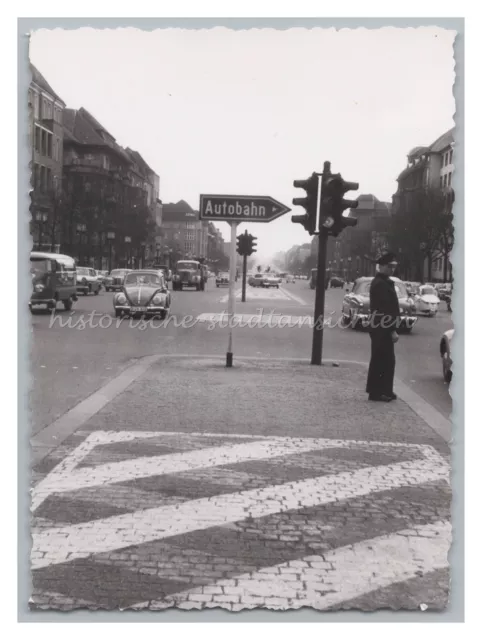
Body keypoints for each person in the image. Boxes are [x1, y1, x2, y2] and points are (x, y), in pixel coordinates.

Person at [366, 252, 400, 402]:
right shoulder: (381, 284)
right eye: (390, 266)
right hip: (382, 328)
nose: (392, 269)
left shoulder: (383, 282)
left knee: (385, 360)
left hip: (380, 327)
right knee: (382, 360)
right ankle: (377, 392)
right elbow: (384, 309)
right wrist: (392, 329)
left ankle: (384, 390)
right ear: (382, 266)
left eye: (394, 267)